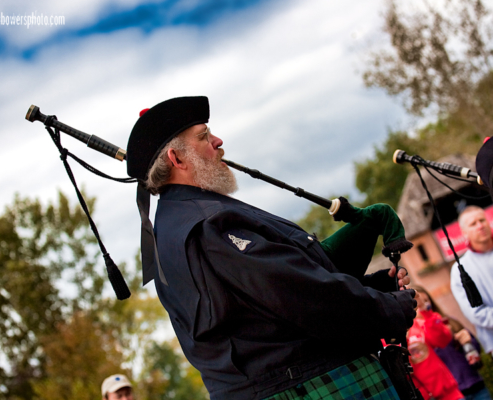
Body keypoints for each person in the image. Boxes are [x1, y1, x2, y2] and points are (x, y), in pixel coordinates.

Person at [125, 96, 417, 400]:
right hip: (306, 384)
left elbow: (255, 309)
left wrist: (371, 287)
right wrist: (388, 307)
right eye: (204, 136)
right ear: (177, 159)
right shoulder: (209, 222)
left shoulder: (173, 227)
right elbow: (299, 293)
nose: (218, 140)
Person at [411, 286, 491, 400]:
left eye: (425, 300)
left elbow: (476, 352)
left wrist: (469, 341)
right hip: (450, 393)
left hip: (475, 384)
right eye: (417, 304)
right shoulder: (415, 336)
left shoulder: (449, 321)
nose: (423, 305)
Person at [451, 206, 493, 360]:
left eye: (482, 220)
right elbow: (475, 313)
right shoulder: (460, 270)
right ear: (464, 232)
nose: (480, 226)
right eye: (473, 224)